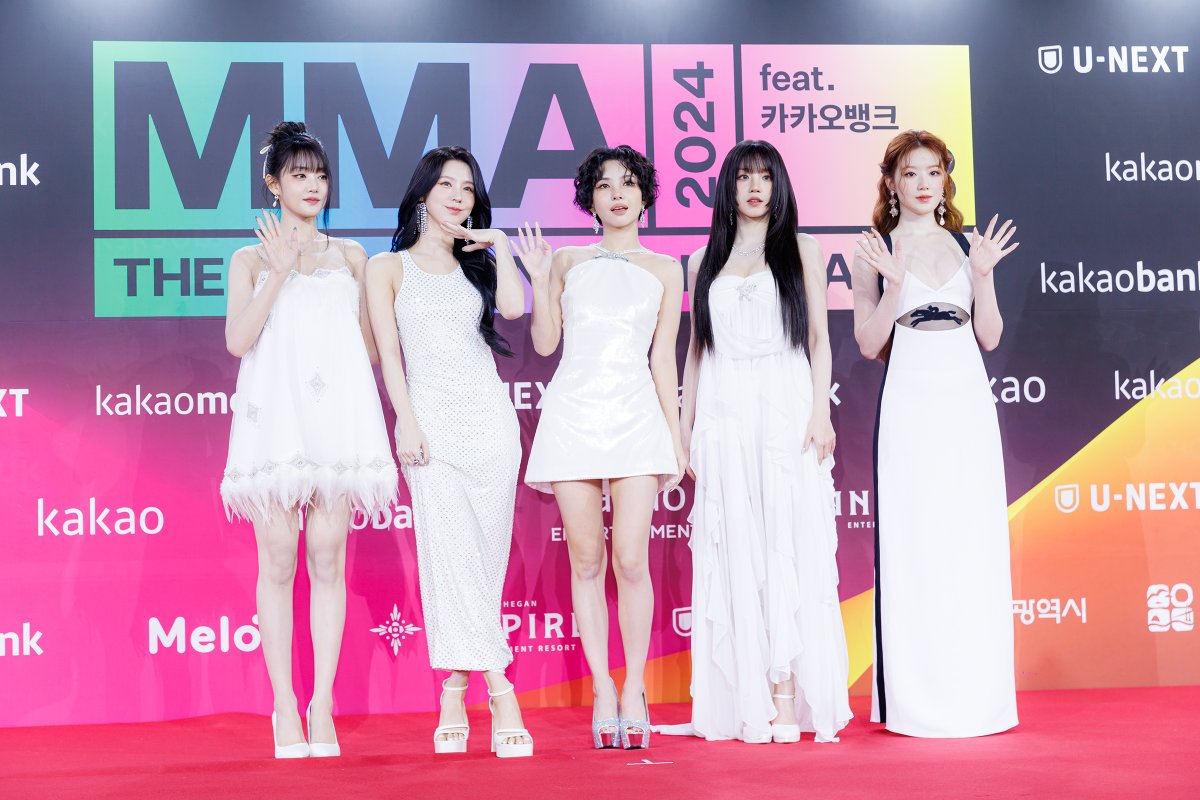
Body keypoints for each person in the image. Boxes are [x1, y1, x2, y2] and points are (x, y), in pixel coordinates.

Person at [221, 121, 397, 758]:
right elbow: (238, 341)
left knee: (328, 559)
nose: (313, 185)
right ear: (273, 184)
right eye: (298, 175)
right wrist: (277, 273)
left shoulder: (351, 257)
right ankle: (284, 707)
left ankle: (322, 704)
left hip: (335, 423)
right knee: (278, 561)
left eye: (320, 175)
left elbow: (369, 349)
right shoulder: (248, 260)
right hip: (275, 423)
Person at [673, 139, 851, 745]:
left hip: (784, 405)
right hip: (723, 411)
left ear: (779, 186)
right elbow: (697, 351)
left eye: (765, 177)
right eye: (744, 176)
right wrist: (685, 428)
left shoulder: (803, 248)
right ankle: (746, 693)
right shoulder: (701, 260)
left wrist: (820, 412)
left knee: (784, 540)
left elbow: (820, 339)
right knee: (736, 547)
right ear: (728, 186)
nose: (755, 187)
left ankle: (784, 696)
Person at [365, 146, 533, 758]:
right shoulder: (387, 267)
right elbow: (389, 355)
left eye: (467, 187)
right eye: (446, 185)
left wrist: (501, 246)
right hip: (430, 427)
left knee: (484, 562)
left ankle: (454, 689)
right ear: (422, 194)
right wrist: (406, 423)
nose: (458, 197)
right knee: (450, 556)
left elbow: (513, 308)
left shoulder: (478, 263)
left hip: (490, 424)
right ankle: (501, 688)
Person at [852, 129, 1019, 738]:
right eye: (910, 173)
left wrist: (982, 276)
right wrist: (894, 287)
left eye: (933, 172)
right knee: (915, 538)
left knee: (971, 538)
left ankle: (979, 696)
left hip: (965, 397)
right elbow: (868, 344)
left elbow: (990, 336)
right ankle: (917, 700)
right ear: (891, 183)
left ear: (945, 180)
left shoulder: (968, 246)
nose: (923, 184)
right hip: (910, 396)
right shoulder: (873, 251)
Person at [523, 145, 686, 750]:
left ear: (645, 197)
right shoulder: (567, 260)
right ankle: (602, 688)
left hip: (636, 417)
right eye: (604, 185)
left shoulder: (667, 268)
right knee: (586, 561)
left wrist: (675, 436)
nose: (617, 194)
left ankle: (636, 686)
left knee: (632, 561)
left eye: (628, 184)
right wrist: (540, 281)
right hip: (574, 416)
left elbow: (663, 358)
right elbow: (545, 344)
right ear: (589, 200)